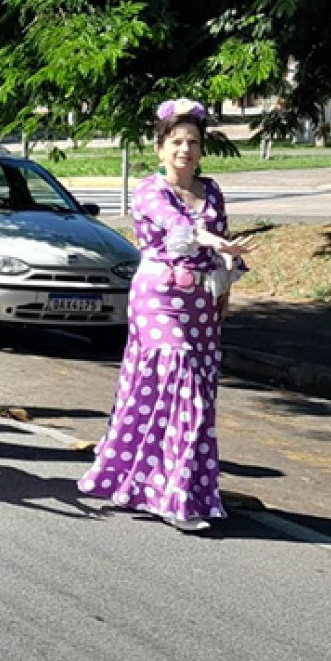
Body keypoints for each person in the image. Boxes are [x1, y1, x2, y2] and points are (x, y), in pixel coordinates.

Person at [80, 99, 254, 532]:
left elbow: (221, 241)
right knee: (182, 387)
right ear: (160, 148)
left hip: (202, 301)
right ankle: (176, 498)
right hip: (158, 299)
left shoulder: (210, 190)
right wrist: (215, 243)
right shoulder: (149, 190)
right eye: (176, 142)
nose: (185, 150)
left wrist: (224, 283)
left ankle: (147, 483)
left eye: (193, 142)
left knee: (175, 392)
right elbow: (183, 230)